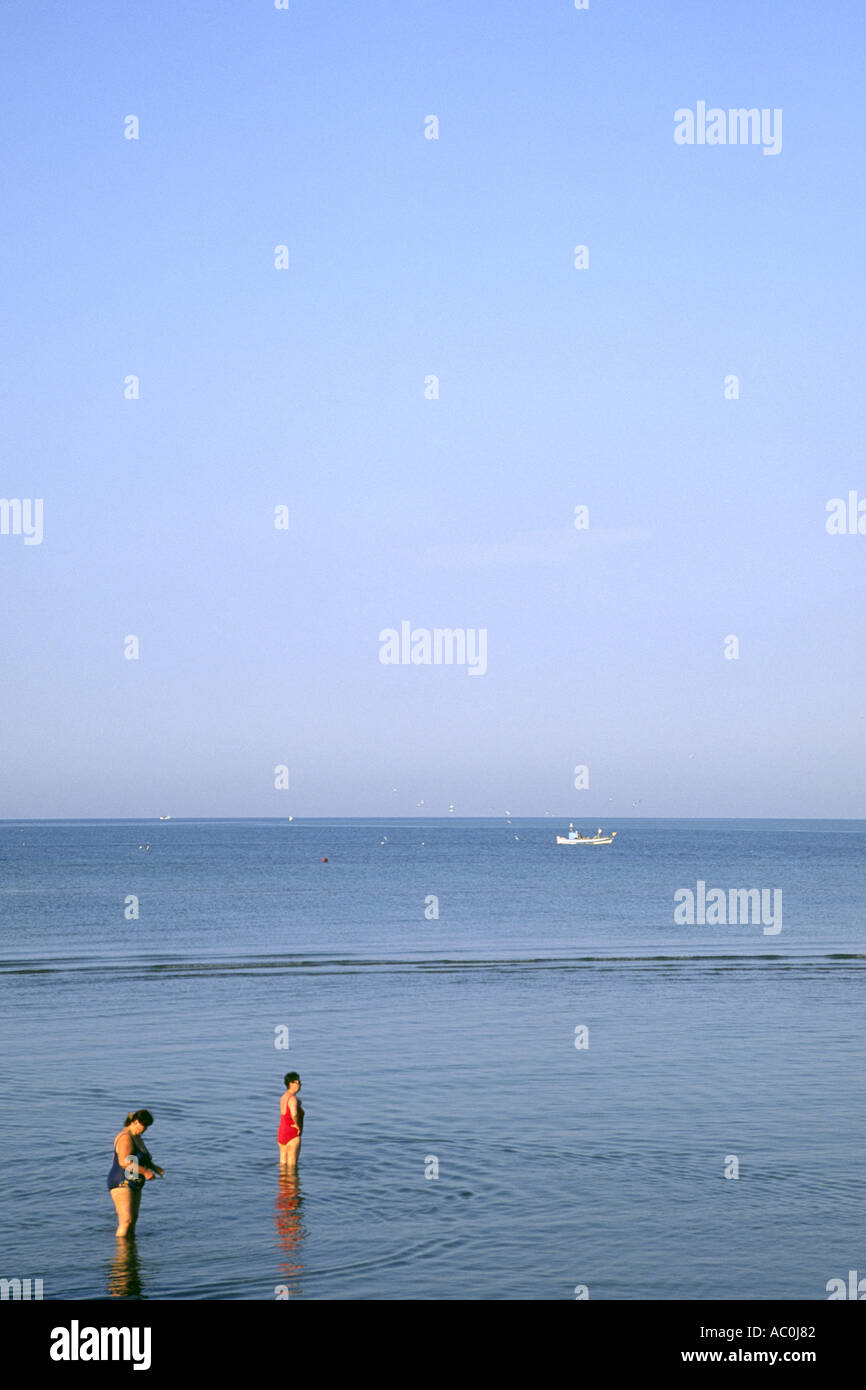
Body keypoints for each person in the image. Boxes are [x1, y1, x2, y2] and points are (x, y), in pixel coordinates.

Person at [107, 1109, 163, 1238]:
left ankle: (131, 1252)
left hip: (135, 1181)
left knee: (133, 1220)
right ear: (135, 1122)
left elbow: (142, 1158)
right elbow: (124, 1162)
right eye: (144, 1126)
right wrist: (146, 1172)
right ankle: (121, 1253)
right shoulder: (126, 1137)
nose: (145, 1129)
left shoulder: (137, 1137)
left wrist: (154, 1168)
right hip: (122, 1181)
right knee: (126, 1220)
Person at [278, 1073, 304, 1168]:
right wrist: (298, 1126)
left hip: (282, 1132)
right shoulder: (292, 1099)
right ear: (291, 1083)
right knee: (292, 1167)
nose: (300, 1085)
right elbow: (294, 1114)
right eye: (298, 1082)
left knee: (282, 1164)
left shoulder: (284, 1097)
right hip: (292, 1132)